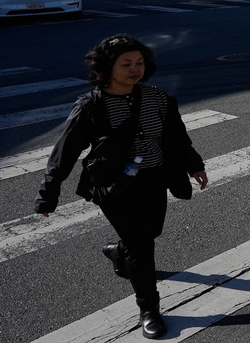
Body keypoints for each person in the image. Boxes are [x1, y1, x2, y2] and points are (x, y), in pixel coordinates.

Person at [35, 35, 208, 340]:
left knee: (150, 231)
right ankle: (149, 309)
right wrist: (48, 194)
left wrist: (194, 165)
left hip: (154, 177)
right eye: (126, 64)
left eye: (139, 63)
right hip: (114, 186)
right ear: (106, 67)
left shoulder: (158, 98)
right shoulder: (92, 106)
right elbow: (64, 152)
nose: (134, 69)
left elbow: (177, 137)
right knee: (142, 244)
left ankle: (118, 252)